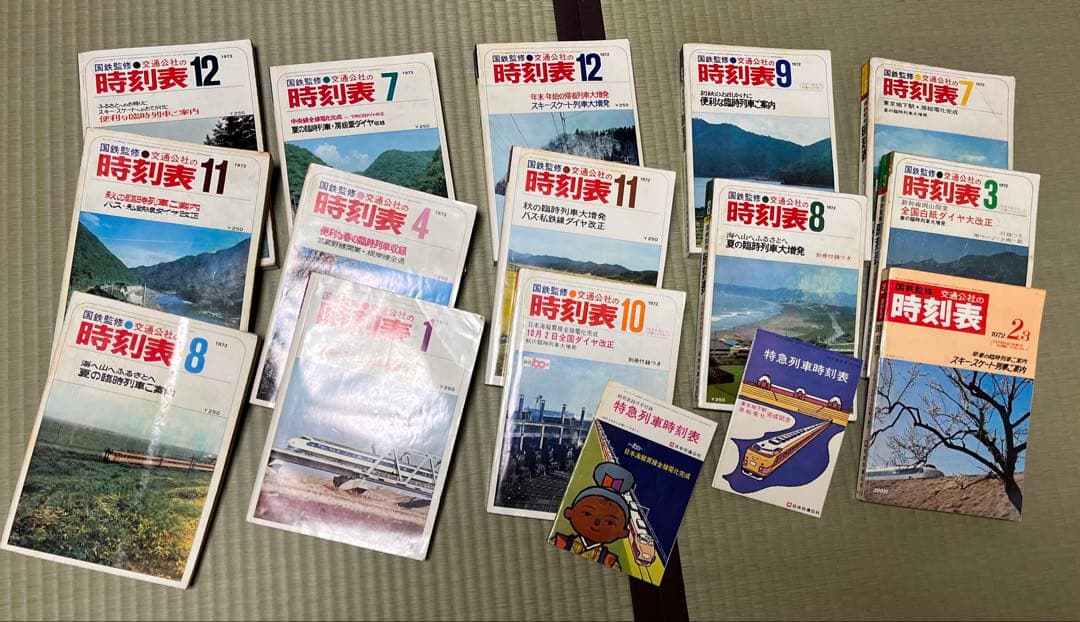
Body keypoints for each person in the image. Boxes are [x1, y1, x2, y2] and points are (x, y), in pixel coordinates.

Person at [549, 462, 635, 570]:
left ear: (623, 533)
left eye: (609, 522)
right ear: (569, 513)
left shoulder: (610, 562)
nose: (596, 523)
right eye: (587, 514)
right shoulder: (559, 541)